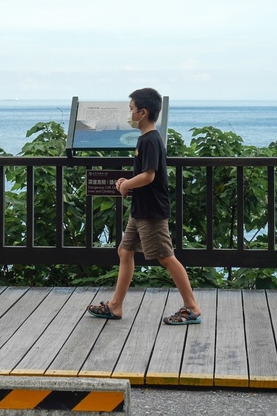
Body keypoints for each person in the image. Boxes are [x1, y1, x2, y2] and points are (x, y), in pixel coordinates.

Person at [86, 87, 204, 325]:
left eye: (131, 110)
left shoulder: (151, 140)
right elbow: (143, 176)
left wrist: (128, 183)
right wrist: (127, 183)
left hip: (152, 211)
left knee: (166, 257)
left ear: (143, 112)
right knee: (125, 251)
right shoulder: (145, 139)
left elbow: (149, 175)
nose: (129, 115)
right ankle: (115, 306)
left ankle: (192, 307)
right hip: (141, 209)